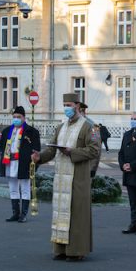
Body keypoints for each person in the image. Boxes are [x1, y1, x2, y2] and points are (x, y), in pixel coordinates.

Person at [32, 93, 100, 261]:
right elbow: (51, 150)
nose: (66, 108)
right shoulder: (61, 126)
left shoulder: (89, 126)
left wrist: (72, 152)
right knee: (60, 213)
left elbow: (94, 150)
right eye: (64, 105)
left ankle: (77, 251)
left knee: (77, 214)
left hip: (78, 177)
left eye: (69, 105)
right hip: (61, 178)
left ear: (77, 105)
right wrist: (39, 156)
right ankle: (61, 249)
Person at [0, 106, 41, 223]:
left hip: (24, 163)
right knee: (13, 188)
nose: (16, 119)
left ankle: (23, 214)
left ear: (24, 118)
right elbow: (1, 145)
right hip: (9, 162)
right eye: (14, 117)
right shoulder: (7, 131)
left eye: (18, 117)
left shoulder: (32, 131)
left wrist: (34, 156)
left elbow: (37, 148)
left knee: (25, 188)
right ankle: (15, 213)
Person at [79, 103, 102, 178]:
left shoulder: (93, 126)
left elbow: (96, 148)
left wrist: (93, 169)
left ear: (82, 112)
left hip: (85, 167)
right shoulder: (70, 125)